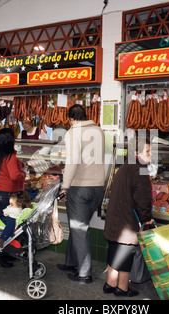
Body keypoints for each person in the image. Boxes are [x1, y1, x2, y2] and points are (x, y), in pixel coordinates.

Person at [57, 104, 105, 284]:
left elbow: (72, 162)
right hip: (97, 188)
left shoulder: (73, 133)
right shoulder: (99, 131)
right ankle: (71, 262)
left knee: (79, 230)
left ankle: (84, 274)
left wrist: (65, 186)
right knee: (77, 226)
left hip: (80, 188)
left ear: (70, 119)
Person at [103, 134, 154, 297]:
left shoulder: (125, 166)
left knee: (114, 252)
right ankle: (122, 288)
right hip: (127, 221)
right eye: (147, 151)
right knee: (126, 254)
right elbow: (142, 199)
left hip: (115, 218)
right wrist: (147, 218)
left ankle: (110, 284)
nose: (150, 154)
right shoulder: (140, 169)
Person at [0, 128, 26, 267]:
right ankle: (0, 251)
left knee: (6, 222)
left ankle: (5, 253)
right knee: (11, 222)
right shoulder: (10, 157)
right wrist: (23, 175)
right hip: (7, 194)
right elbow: (14, 176)